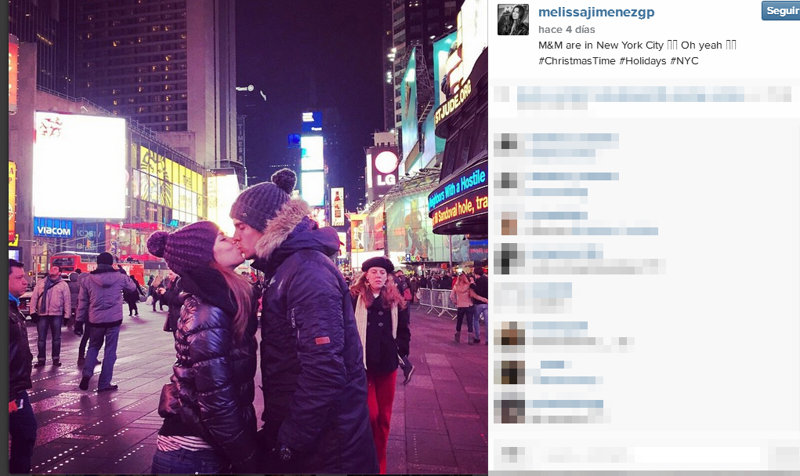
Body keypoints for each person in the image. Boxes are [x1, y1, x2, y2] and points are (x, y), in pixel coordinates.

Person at [229, 168, 378, 473]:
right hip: (316, 438)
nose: (235, 236)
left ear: (267, 225)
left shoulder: (307, 271)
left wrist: (290, 441)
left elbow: (324, 371)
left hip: (328, 447)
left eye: (240, 226)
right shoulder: (288, 268)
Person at [146, 221, 259, 474]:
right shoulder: (209, 310)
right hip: (193, 454)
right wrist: (248, 459)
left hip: (204, 447)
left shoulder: (223, 299)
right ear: (204, 256)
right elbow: (216, 401)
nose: (233, 239)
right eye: (222, 238)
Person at [350, 257, 411, 474]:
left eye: (382, 273)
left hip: (387, 365)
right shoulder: (353, 298)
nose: (378, 275)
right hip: (363, 366)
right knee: (370, 415)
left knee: (384, 417)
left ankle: (379, 462)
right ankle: (364, 457)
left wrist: (400, 351)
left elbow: (404, 330)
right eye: (374, 271)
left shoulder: (395, 300)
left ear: (388, 277)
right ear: (366, 276)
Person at [75, 252, 137, 392]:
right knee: (110, 351)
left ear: (97, 263)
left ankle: (87, 373)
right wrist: (123, 272)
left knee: (93, 347)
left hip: (95, 320)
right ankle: (104, 383)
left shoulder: (87, 279)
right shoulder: (120, 277)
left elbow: (82, 302)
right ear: (111, 263)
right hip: (113, 320)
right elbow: (132, 288)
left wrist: (79, 321)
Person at [9, 259, 37, 473]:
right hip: (11, 391)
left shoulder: (12, 308)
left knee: (26, 433)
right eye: (19, 278)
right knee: (25, 432)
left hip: (16, 387)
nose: (25, 281)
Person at [29, 264, 71, 367]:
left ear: (59, 273)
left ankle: (55, 359)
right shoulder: (41, 283)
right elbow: (34, 298)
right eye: (52, 268)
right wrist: (32, 312)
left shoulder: (63, 285)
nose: (52, 269)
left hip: (56, 314)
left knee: (56, 338)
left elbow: (67, 301)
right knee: (41, 338)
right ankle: (41, 359)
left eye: (55, 268)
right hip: (42, 314)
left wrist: (67, 315)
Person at [451, 273, 487, 344]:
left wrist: (455, 302)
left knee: (459, 322)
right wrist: (485, 300)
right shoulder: (468, 286)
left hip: (460, 306)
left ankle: (457, 337)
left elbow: (451, 296)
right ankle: (470, 339)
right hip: (469, 306)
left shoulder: (456, 286)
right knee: (469, 322)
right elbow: (475, 296)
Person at [471, 267, 489, 344]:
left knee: (475, 320)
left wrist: (472, 284)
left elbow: (478, 291)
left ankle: (477, 337)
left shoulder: (478, 281)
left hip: (478, 303)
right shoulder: (487, 279)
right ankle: (488, 339)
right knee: (487, 322)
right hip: (487, 303)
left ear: (476, 273)